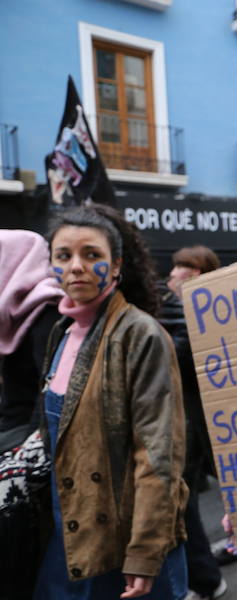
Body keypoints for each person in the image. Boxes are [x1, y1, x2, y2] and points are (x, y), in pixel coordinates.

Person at [35, 205, 189, 599]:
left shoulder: (141, 335)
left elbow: (158, 454)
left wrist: (144, 552)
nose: (76, 267)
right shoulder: (62, 332)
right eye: (63, 256)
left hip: (129, 543)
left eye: (92, 255)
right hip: (76, 535)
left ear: (116, 265)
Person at [152, 243, 227, 600]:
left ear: (194, 273)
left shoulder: (189, 307)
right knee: (195, 486)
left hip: (203, 415)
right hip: (195, 415)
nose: (169, 275)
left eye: (177, 269)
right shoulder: (172, 306)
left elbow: (180, 356)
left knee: (217, 479)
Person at [0, 230, 63, 600]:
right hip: (17, 430)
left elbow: (47, 391)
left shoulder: (46, 309)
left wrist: (16, 454)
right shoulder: (12, 309)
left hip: (34, 442)